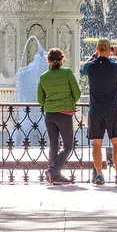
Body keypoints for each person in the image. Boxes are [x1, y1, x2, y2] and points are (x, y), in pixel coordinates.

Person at [80, 38, 117, 185]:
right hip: (111, 110)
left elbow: (81, 69)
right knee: (116, 142)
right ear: (110, 49)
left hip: (95, 110)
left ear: (97, 49)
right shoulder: (115, 66)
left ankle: (99, 175)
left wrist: (93, 56)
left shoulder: (90, 66)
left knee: (97, 143)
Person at [35, 47, 80, 185]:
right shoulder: (67, 73)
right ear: (62, 59)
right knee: (68, 146)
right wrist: (70, 103)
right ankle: (53, 171)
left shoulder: (43, 77)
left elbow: (40, 100)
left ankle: (55, 176)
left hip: (50, 114)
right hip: (65, 113)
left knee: (53, 145)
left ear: (48, 60)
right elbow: (77, 93)